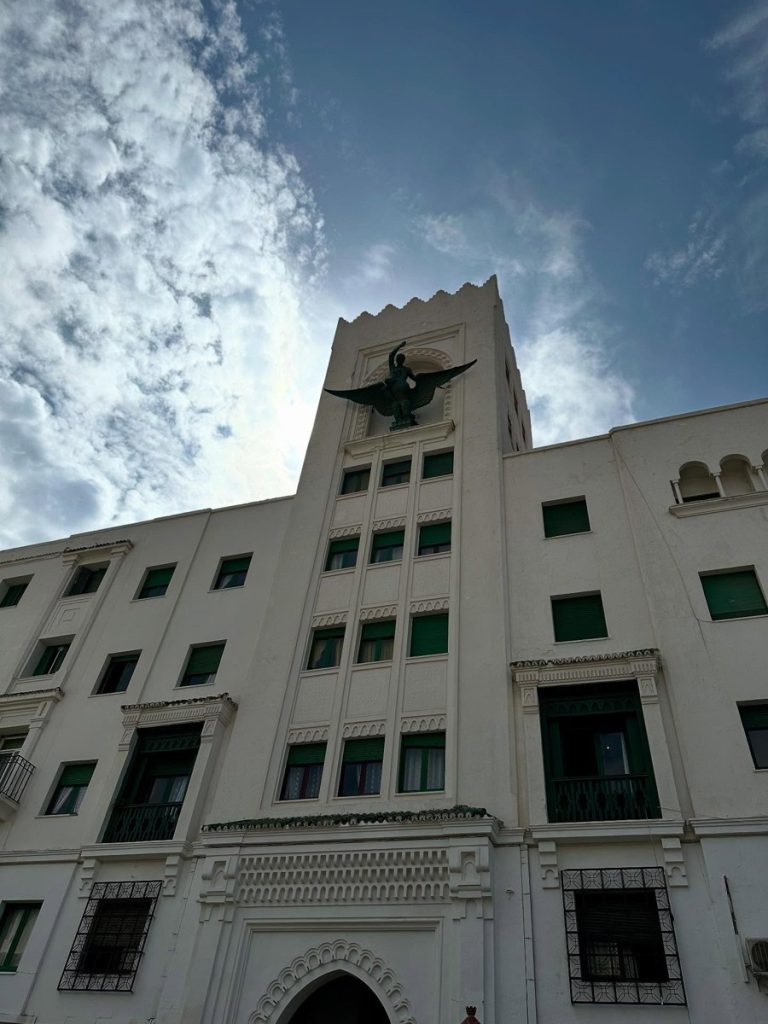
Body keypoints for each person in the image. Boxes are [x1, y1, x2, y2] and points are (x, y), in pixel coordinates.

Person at [384, 340, 417, 427]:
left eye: (401, 359)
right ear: (396, 360)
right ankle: (399, 421)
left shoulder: (406, 369)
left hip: (404, 391)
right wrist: (399, 346)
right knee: (395, 406)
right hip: (394, 393)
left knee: (405, 403)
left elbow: (415, 379)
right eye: (398, 358)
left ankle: (407, 418)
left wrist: (424, 379)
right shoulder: (393, 368)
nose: (400, 360)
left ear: (403, 360)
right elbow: (391, 355)